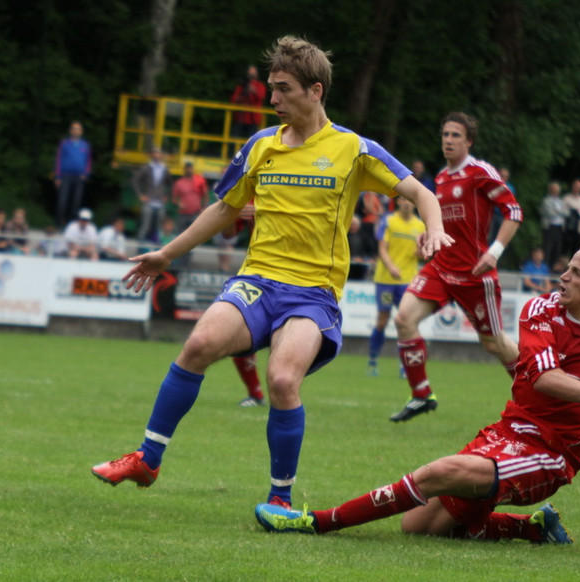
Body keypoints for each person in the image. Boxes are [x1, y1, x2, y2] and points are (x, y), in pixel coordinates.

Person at [91, 36, 451, 508]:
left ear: (315, 91)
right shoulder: (261, 144)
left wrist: (435, 228)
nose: (272, 98)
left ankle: (280, 499)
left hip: (313, 293)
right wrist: (166, 254)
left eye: (283, 89)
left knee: (282, 381)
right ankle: (148, 458)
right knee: (198, 345)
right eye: (271, 88)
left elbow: (421, 193)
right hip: (257, 280)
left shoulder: (354, 149)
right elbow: (225, 208)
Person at [255, 239, 580, 541]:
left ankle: (315, 522)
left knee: (438, 472)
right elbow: (542, 377)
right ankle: (531, 529)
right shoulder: (541, 309)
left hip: (552, 455)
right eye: (567, 267)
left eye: (576, 273)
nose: (563, 276)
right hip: (507, 431)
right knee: (418, 528)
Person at [390, 111, 523, 422]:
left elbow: (513, 211)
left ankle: (535, 390)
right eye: (445, 135)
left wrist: (495, 252)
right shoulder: (441, 178)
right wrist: (428, 234)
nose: (448, 140)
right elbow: (442, 221)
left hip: (475, 273)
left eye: (455, 136)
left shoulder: (479, 172)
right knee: (404, 319)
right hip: (441, 267)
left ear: (469, 141)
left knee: (494, 344)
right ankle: (421, 395)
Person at [368, 198, 425, 376]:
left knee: (406, 322)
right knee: (382, 320)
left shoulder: (420, 226)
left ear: (414, 204)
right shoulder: (389, 220)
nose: (407, 203)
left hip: (408, 282)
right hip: (386, 281)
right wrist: (391, 266)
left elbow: (424, 253)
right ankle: (373, 360)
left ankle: (404, 365)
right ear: (399, 201)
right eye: (404, 199)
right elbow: (382, 249)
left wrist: (422, 253)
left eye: (410, 200)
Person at [54, 121, 92, 227]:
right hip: (65, 176)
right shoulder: (64, 144)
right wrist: (57, 176)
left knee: (76, 202)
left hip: (79, 177)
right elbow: (58, 160)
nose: (76, 131)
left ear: (81, 132)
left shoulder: (85, 145)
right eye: (74, 129)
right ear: (70, 131)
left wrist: (86, 174)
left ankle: (72, 226)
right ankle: (59, 224)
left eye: (78, 129)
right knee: (62, 201)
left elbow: (88, 161)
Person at [133, 148, 172, 242]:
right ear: (152, 155)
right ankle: (140, 244)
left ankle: (158, 245)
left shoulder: (164, 169)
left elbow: (170, 184)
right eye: (155, 153)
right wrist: (140, 195)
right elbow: (135, 181)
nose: (156, 156)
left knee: (159, 226)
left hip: (160, 201)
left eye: (158, 153)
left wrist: (166, 196)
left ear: (161, 155)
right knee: (145, 224)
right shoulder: (146, 168)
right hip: (149, 200)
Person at [172, 161, 209, 235]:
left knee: (195, 235)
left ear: (193, 169)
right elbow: (174, 198)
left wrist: (203, 208)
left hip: (196, 213)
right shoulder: (179, 183)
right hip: (183, 214)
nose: (188, 170)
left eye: (190, 168)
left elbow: (205, 195)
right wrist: (179, 203)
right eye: (187, 168)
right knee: (180, 234)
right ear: (184, 170)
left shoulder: (199, 180)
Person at [230, 65, 267, 139]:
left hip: (254, 118)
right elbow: (234, 99)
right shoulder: (241, 86)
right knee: (235, 138)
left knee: (252, 139)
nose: (252, 74)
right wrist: (241, 97)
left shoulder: (260, 86)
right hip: (240, 117)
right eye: (250, 72)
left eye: (253, 72)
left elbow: (262, 97)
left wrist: (254, 91)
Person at [540, 181, 566, 271]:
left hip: (559, 227)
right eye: (555, 190)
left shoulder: (561, 201)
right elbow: (550, 213)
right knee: (548, 248)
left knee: (557, 248)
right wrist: (560, 212)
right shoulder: (546, 201)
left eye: (558, 191)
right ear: (551, 190)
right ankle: (545, 268)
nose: (557, 192)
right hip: (550, 227)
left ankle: (554, 268)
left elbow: (566, 213)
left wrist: (558, 211)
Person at [561, 178, 580, 258]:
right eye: (576, 187)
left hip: (579, 230)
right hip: (568, 230)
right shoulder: (566, 199)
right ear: (572, 187)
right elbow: (562, 213)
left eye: (579, 188)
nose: (577, 189)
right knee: (565, 251)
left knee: (576, 252)